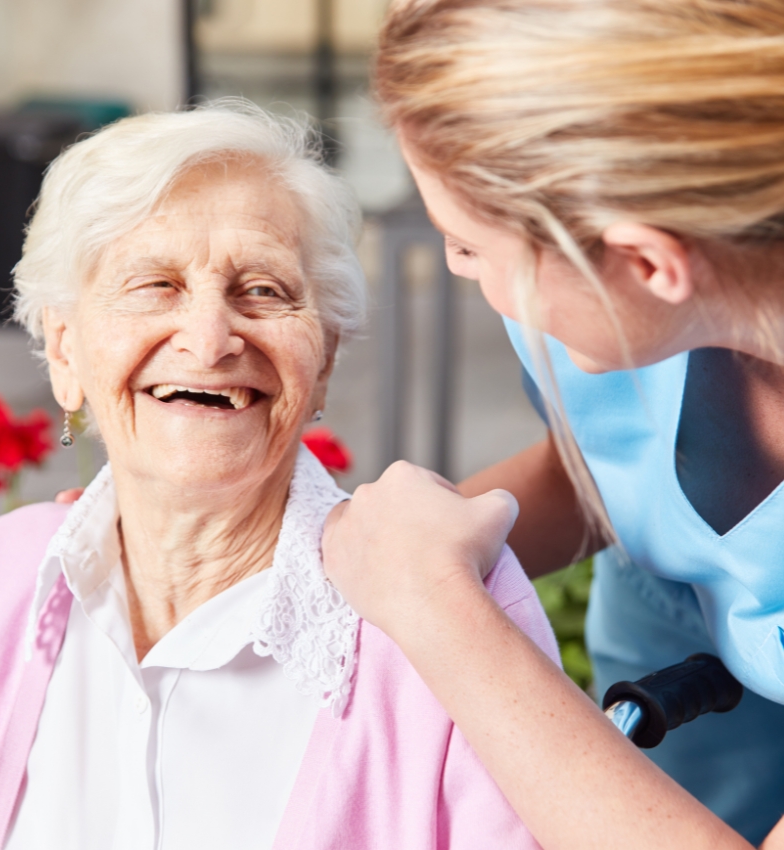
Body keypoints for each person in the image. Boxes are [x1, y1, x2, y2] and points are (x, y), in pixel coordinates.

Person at [0, 101, 559, 850]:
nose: (209, 339)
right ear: (65, 352)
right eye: (154, 285)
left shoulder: (447, 608)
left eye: (263, 289)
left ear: (322, 360)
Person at [323, 1, 784, 848]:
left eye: (467, 247)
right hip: (674, 617)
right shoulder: (628, 308)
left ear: (644, 261)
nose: (463, 270)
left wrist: (436, 606)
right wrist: (303, 567)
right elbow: (612, 467)